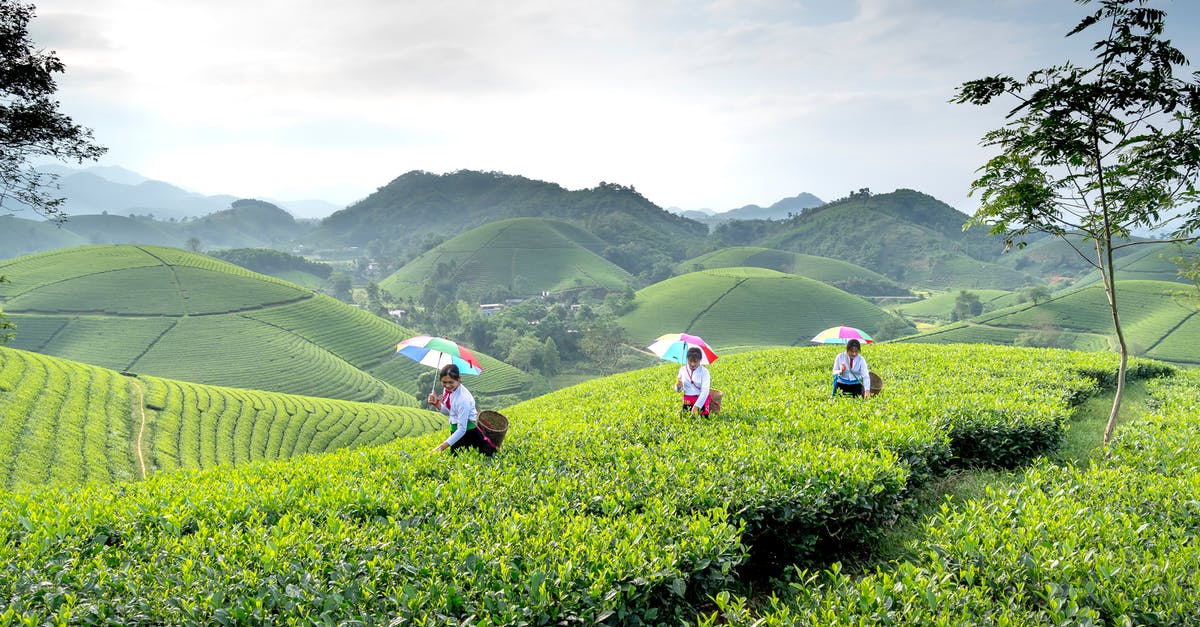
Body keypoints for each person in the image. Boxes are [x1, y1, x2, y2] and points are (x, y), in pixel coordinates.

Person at [427, 363, 496, 456]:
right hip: (455, 431)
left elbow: (462, 429)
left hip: (468, 433)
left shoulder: (463, 399)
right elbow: (451, 413)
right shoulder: (448, 391)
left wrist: (440, 448)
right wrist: (437, 404)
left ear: (459, 379)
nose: (447, 385)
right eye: (444, 382)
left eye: (451, 382)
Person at [675, 346, 713, 416]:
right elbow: (678, 390)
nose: (692, 364)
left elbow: (705, 391)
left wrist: (697, 406)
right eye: (690, 361)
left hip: (700, 402)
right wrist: (678, 386)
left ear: (700, 360)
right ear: (687, 359)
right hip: (687, 402)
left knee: (701, 421)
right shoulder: (682, 370)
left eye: (695, 362)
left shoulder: (704, 372)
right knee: (683, 419)